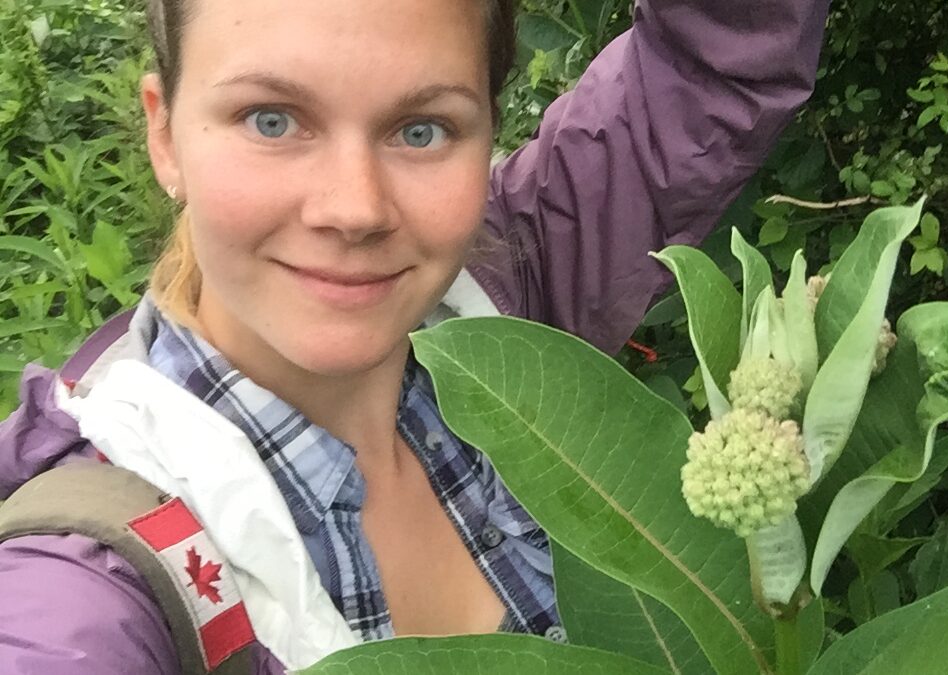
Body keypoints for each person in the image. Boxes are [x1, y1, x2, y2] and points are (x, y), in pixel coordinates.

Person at [0, 0, 831, 672]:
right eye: (271, 119)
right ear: (163, 134)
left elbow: (715, 56)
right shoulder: (93, 580)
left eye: (422, 129)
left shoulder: (506, 296)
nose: (355, 208)